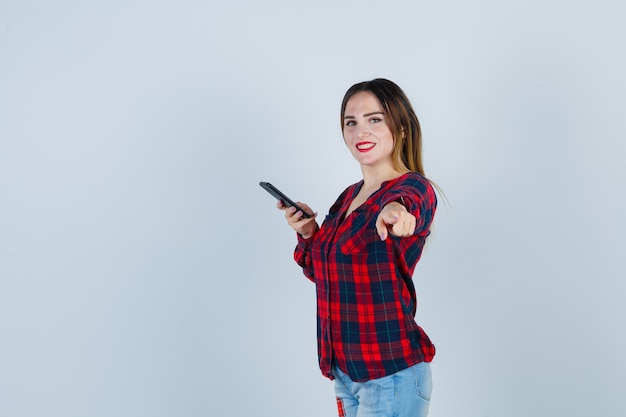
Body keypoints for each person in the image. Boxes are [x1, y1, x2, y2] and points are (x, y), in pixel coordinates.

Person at [277, 78, 438, 417]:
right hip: (348, 376)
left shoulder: (413, 188)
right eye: (351, 122)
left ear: (401, 126)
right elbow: (327, 274)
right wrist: (309, 233)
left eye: (374, 120)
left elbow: (410, 205)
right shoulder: (348, 198)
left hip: (390, 376)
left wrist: (397, 211)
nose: (360, 132)